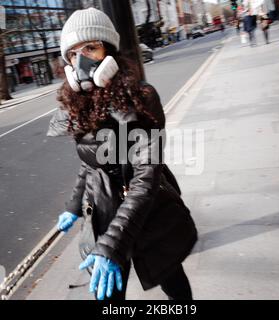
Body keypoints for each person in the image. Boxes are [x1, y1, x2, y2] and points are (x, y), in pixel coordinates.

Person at [47, 8, 198, 301]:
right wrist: (73, 205)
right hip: (103, 213)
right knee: (109, 296)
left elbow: (146, 177)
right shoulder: (78, 104)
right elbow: (91, 165)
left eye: (91, 47)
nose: (82, 61)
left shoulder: (142, 97)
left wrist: (112, 245)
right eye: (73, 54)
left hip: (148, 210)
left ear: (109, 53)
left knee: (170, 278)